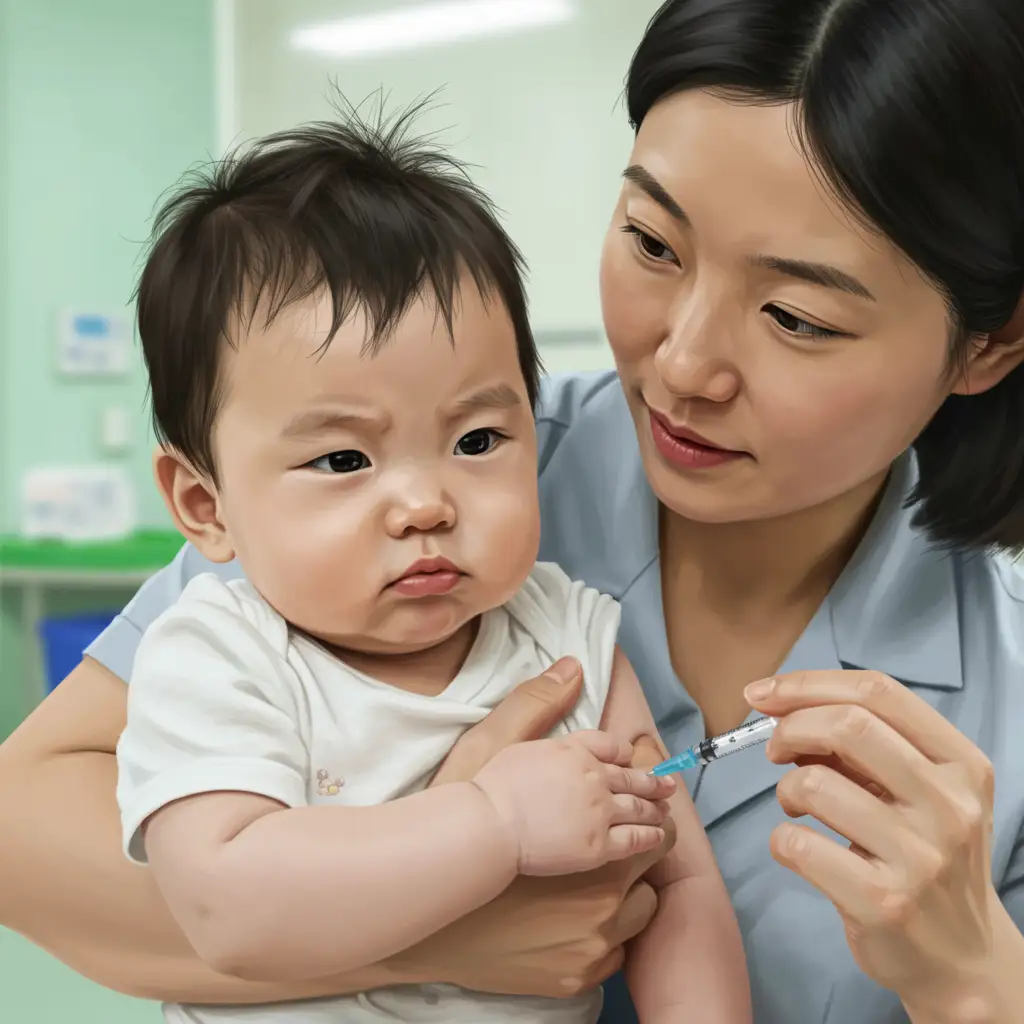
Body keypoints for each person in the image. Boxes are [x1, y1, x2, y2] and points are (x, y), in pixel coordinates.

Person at [2, 0, 1024, 1020]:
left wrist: (974, 976)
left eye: (796, 317)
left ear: (990, 342)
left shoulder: (998, 692)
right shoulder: (356, 486)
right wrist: (446, 929)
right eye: (653, 243)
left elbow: (683, 893)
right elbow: (26, 834)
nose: (682, 366)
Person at [109, 106, 749, 1024]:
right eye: (343, 459)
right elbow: (228, 910)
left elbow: (678, 883)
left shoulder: (567, 637)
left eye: (478, 439)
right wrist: (496, 823)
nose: (425, 504)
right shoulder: (218, 657)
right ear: (205, 505)